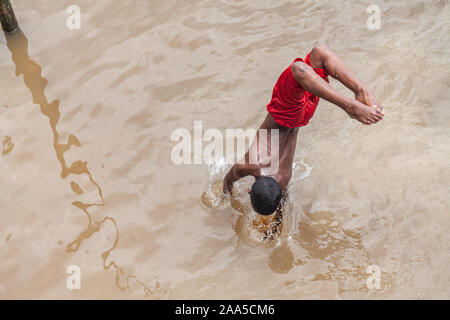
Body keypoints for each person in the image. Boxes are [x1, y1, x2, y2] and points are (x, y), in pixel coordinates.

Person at [223, 44, 384, 216]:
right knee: (311, 60)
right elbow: (228, 181)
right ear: (249, 190)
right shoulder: (246, 166)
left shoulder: (283, 182)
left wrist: (272, 234)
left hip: (304, 116)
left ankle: (355, 100)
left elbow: (280, 214)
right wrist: (225, 194)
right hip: (285, 115)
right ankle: (356, 98)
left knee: (312, 62)